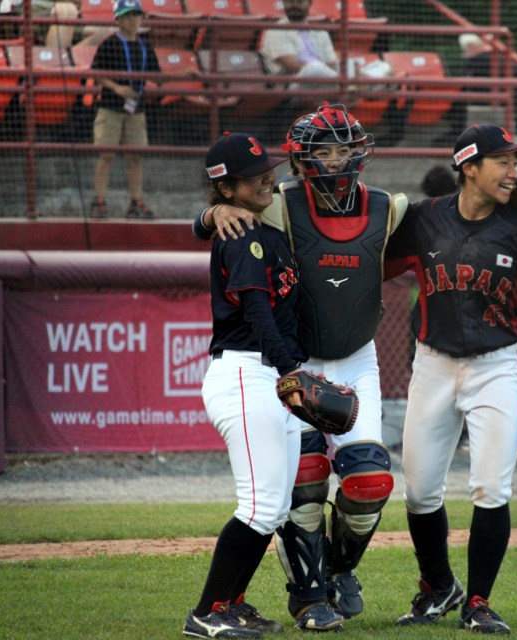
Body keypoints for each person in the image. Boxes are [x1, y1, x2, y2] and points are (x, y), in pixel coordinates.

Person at [193, 103, 407, 632]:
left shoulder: (391, 208)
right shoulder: (272, 208)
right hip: (281, 362)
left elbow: (452, 226)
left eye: (345, 147)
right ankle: (303, 593)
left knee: (370, 480)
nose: (337, 159)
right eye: (324, 149)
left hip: (348, 358)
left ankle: (336, 571)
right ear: (301, 160)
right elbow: (221, 232)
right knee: (297, 484)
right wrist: (207, 215)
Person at [385, 123, 517, 635]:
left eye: (516, 162)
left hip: (497, 366)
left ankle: (477, 601)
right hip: (432, 365)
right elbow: (372, 266)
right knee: (420, 490)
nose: (514, 171)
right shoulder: (423, 221)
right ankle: (437, 587)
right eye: (503, 161)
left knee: (490, 487)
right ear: (468, 167)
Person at [183, 132, 304, 640]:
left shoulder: (259, 227)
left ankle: (230, 602)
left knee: (273, 507)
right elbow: (255, 311)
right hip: (246, 371)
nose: (267, 178)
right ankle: (207, 613)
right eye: (254, 175)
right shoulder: (239, 233)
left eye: (267, 169)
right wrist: (289, 369)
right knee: (258, 505)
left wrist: (206, 216)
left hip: (267, 372)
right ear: (226, 187)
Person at [88, 0, 159, 219]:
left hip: (136, 109)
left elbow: (157, 74)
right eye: (128, 16)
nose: (133, 20)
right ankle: (99, 200)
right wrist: (117, 88)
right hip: (110, 108)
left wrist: (185, 73)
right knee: (106, 154)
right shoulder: (109, 44)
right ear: (118, 19)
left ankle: (135, 201)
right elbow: (96, 73)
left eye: (137, 15)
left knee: (136, 156)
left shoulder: (145, 46)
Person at [436, 33, 517, 145]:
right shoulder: (511, 62)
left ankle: (456, 132)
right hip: (511, 118)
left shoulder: (472, 64)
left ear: (471, 46)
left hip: (479, 116)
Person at [259, 0, 338, 91]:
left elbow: (332, 64)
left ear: (309, 3)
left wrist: (323, 73)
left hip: (323, 81)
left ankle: (338, 86)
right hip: (290, 86)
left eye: (300, 2)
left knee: (352, 66)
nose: (295, 5)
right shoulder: (275, 30)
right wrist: (321, 71)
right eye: (290, 2)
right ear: (284, 3)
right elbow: (293, 66)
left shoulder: (321, 33)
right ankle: (339, 85)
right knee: (314, 67)